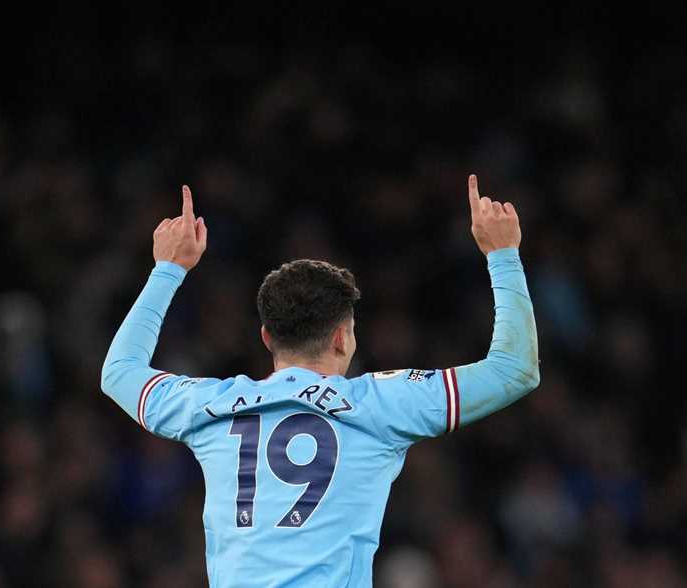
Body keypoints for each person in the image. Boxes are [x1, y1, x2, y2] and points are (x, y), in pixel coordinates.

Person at [101, 175, 540, 587]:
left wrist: (168, 269)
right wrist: (502, 255)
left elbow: (120, 371)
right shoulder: (382, 404)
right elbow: (513, 369)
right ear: (342, 337)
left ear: (266, 337)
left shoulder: (210, 406)